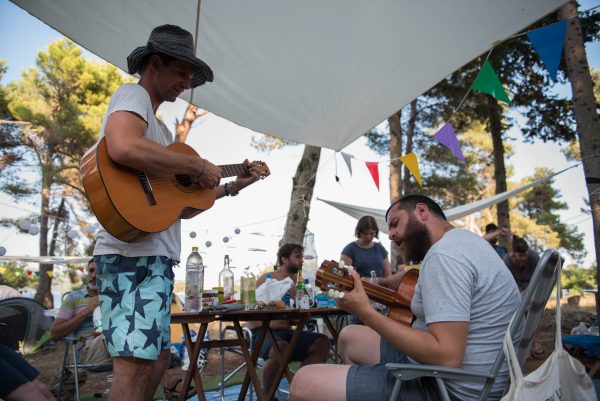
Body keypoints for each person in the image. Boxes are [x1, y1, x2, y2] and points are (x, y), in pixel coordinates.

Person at [91, 24, 265, 401]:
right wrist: (196, 165)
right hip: (132, 258)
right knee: (134, 364)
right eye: (181, 73)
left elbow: (181, 208)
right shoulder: (133, 95)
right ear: (155, 63)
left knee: (156, 359)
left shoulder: (163, 134)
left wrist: (232, 186)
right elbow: (121, 146)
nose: (186, 85)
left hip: (151, 259)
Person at [290, 194, 521, 401]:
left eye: (394, 223)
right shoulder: (466, 242)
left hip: (451, 389)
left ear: (421, 211)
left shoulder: (444, 256)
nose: (390, 234)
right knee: (350, 337)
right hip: (479, 378)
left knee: (303, 382)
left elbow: (447, 357)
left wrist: (365, 312)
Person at [246, 243, 330, 395]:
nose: (301, 260)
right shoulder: (268, 278)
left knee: (321, 343)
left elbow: (291, 315)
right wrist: (270, 321)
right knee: (281, 348)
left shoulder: (299, 283)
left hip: (286, 332)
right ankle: (266, 396)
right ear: (284, 259)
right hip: (260, 331)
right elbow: (249, 306)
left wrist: (300, 318)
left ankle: (299, 390)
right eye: (297, 257)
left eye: (302, 257)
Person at [50, 259, 110, 366]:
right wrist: (86, 311)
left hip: (113, 347)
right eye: (91, 271)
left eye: (100, 271)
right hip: (86, 351)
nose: (94, 275)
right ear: (87, 273)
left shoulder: (114, 297)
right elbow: (55, 334)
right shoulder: (74, 297)